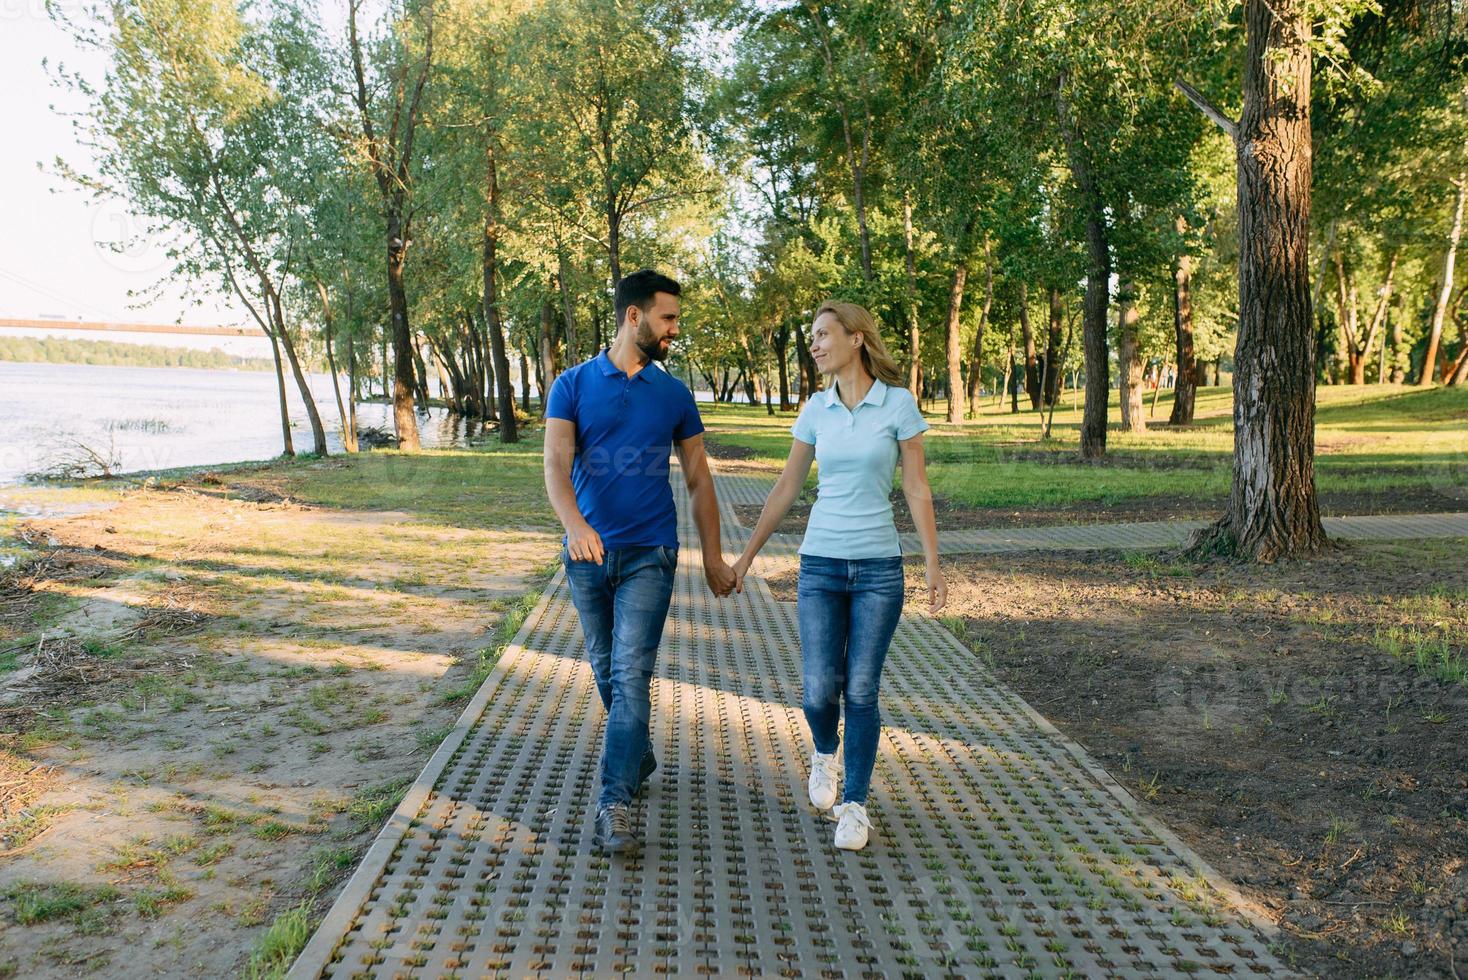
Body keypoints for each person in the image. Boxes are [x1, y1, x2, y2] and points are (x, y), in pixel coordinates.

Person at [732, 300, 945, 851]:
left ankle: (854, 805)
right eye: (812, 336)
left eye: (823, 333)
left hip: (879, 569)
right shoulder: (815, 410)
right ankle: (824, 750)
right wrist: (748, 556)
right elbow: (786, 488)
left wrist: (933, 563)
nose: (815, 344)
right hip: (822, 565)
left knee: (863, 688)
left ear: (856, 338)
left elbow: (916, 488)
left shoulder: (898, 404)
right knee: (820, 687)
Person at [544, 269, 737, 855]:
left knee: (630, 675)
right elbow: (555, 462)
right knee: (606, 668)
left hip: (651, 553)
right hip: (587, 555)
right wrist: (575, 526)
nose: (675, 329)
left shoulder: (674, 394)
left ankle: (614, 803)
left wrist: (711, 555)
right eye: (668, 318)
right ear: (635, 317)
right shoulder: (572, 384)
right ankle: (639, 752)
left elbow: (700, 480)